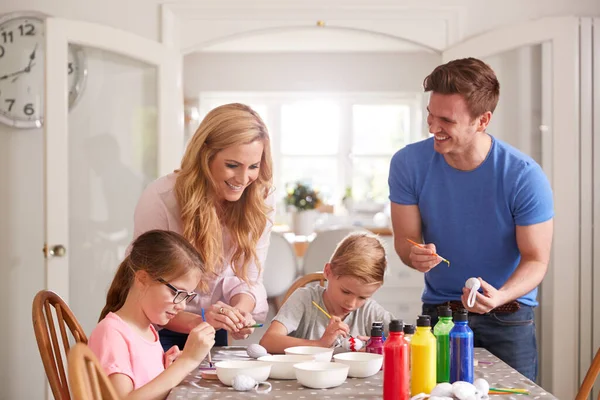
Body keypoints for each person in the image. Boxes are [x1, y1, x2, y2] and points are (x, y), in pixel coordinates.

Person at [388, 57, 554, 381]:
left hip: (509, 317)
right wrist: (414, 255)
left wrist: (502, 295)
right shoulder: (408, 163)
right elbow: (404, 240)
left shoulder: (523, 176)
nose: (433, 128)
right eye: (430, 116)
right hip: (440, 316)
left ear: (482, 120)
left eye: (446, 120)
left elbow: (536, 259)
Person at [132, 103, 274, 350]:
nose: (243, 180)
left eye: (253, 166)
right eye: (232, 165)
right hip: (155, 329)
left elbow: (249, 277)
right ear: (205, 155)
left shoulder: (259, 198)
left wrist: (239, 313)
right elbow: (144, 291)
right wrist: (202, 319)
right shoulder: (162, 199)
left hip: (210, 329)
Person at [89, 230, 216, 400]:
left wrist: (167, 369)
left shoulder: (148, 330)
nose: (183, 305)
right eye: (177, 293)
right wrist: (187, 361)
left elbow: (144, 385)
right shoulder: (111, 333)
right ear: (142, 279)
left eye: (187, 296)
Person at [260, 233, 394, 354]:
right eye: (345, 291)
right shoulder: (305, 299)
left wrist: (383, 344)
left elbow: (407, 338)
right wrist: (319, 345)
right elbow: (268, 342)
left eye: (362, 297)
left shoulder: (369, 310)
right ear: (328, 272)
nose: (352, 303)